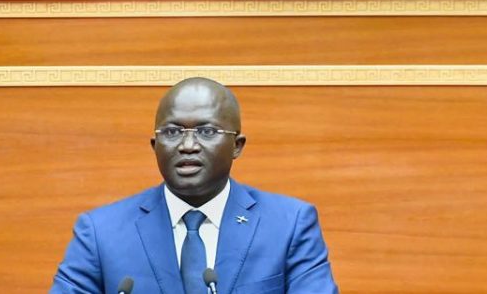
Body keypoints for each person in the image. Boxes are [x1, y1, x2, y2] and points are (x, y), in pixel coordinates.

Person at [50, 78, 338, 294]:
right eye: (172, 132)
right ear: (155, 145)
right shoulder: (100, 232)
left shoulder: (289, 225)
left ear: (237, 146)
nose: (188, 145)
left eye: (207, 131)